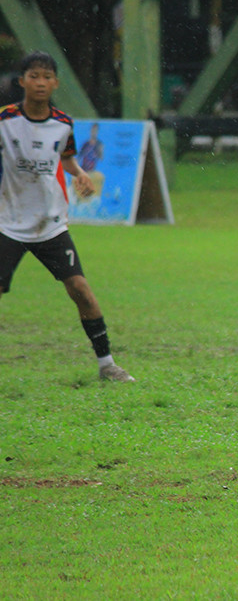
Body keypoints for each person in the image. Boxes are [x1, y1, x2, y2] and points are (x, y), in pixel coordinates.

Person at [0, 51, 135, 382]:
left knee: (81, 290)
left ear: (56, 83)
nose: (41, 83)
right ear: (22, 82)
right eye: (34, 76)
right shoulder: (5, 121)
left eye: (47, 77)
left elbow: (67, 156)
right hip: (8, 223)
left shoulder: (62, 124)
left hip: (50, 224)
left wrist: (79, 174)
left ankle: (107, 365)